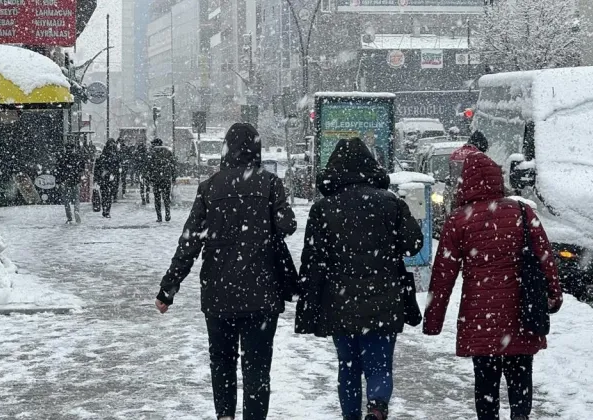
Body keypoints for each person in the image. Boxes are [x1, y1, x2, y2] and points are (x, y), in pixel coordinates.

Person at [154, 122, 296, 420]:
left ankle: (225, 416)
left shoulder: (209, 187)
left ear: (226, 149)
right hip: (261, 291)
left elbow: (189, 242)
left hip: (219, 293)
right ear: (256, 148)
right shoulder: (270, 184)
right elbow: (287, 225)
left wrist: (169, 288)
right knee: (257, 367)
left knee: (222, 362)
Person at [422, 149, 563, 420]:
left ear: (467, 182)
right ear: (498, 179)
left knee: (485, 382)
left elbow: (443, 276)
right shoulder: (523, 212)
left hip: (479, 318)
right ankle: (520, 416)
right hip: (521, 313)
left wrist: (433, 320)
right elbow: (546, 259)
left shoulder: (459, 220)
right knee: (520, 378)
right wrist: (553, 297)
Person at [296, 138, 423, 420]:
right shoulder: (390, 203)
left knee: (348, 366)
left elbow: (312, 260)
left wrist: (307, 299)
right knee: (380, 363)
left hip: (340, 302)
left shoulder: (323, 209)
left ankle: (351, 415)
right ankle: (377, 406)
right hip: (384, 299)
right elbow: (414, 243)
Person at [55, 143, 86, 224]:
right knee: (76, 198)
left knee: (66, 200)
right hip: (75, 180)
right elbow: (82, 168)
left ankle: (69, 217)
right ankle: (76, 210)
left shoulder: (61, 158)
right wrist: (79, 175)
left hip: (64, 181)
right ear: (74, 149)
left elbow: (58, 170)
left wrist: (58, 181)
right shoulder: (78, 157)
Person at [147, 138, 177, 222]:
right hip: (166, 178)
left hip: (156, 179)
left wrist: (149, 178)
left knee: (157, 198)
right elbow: (173, 165)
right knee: (166, 198)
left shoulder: (152, 153)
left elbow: (148, 167)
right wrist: (174, 177)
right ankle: (167, 214)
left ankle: (159, 217)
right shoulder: (168, 152)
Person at [94, 139, 120, 218]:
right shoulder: (114, 155)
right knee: (108, 195)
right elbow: (117, 166)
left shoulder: (103, 156)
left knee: (105, 195)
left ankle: (105, 210)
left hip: (105, 178)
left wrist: (97, 178)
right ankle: (106, 210)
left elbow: (97, 168)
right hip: (109, 178)